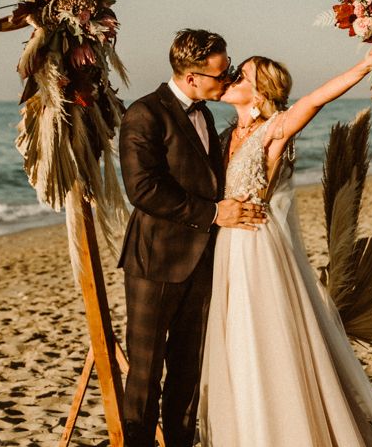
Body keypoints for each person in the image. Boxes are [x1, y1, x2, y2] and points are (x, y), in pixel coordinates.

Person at [198, 50, 372, 446]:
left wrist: (364, 65)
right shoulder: (224, 135)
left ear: (259, 93)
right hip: (227, 248)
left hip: (256, 251)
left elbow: (315, 99)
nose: (233, 78)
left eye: (242, 76)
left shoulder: (273, 129)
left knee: (260, 339)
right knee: (233, 342)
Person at [117, 29, 266, 447]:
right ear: (191, 78)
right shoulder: (144, 114)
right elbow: (143, 189)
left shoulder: (207, 113)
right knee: (146, 372)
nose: (229, 79)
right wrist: (216, 213)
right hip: (157, 261)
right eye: (221, 75)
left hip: (204, 260)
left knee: (189, 370)